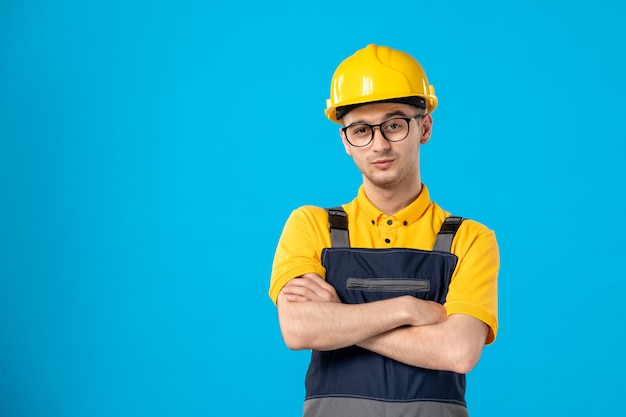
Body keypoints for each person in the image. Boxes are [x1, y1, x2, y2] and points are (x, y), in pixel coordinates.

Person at [268, 44, 499, 417]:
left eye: (394, 125)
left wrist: (340, 318)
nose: (379, 144)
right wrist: (409, 309)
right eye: (361, 130)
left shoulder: (470, 239)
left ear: (424, 127)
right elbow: (298, 329)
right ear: (346, 141)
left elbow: (458, 352)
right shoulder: (311, 225)